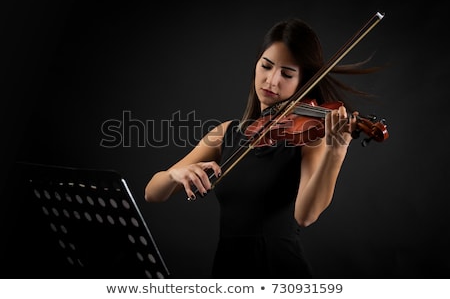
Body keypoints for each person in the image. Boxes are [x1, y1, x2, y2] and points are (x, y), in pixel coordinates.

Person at [144, 17, 380, 278]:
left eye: (287, 74)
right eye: (266, 66)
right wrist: (175, 174)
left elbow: (305, 215)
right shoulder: (226, 132)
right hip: (227, 272)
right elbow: (153, 193)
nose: (271, 80)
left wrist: (336, 152)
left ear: (303, 81)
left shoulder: (309, 138)